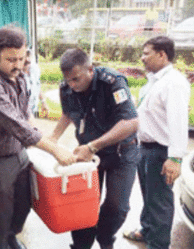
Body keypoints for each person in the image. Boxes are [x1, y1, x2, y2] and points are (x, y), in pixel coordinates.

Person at [0, 24, 76, 249]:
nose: (18, 65)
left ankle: (11, 236)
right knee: (3, 210)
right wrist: (54, 149)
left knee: (24, 204)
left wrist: (42, 137)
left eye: (21, 58)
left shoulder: (18, 76)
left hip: (18, 153)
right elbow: (16, 124)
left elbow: (25, 113)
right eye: (11, 60)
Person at [49, 48, 139, 249]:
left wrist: (93, 146)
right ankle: (81, 245)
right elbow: (68, 113)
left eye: (76, 79)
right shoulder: (66, 88)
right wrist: (53, 137)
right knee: (81, 203)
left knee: (117, 207)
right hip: (89, 154)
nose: (72, 85)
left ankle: (105, 238)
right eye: (68, 80)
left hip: (121, 152)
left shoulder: (112, 82)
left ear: (90, 69)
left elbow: (131, 122)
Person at [123, 36, 191, 249]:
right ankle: (147, 230)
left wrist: (175, 158)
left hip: (161, 152)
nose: (142, 58)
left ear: (162, 55)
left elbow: (178, 123)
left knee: (160, 200)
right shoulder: (156, 80)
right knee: (149, 195)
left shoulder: (174, 83)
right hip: (146, 148)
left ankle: (158, 244)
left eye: (146, 53)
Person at [23, 49, 49, 118]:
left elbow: (37, 86)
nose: (27, 59)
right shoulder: (15, 74)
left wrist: (43, 102)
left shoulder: (34, 69)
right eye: (24, 56)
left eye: (28, 56)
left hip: (32, 110)